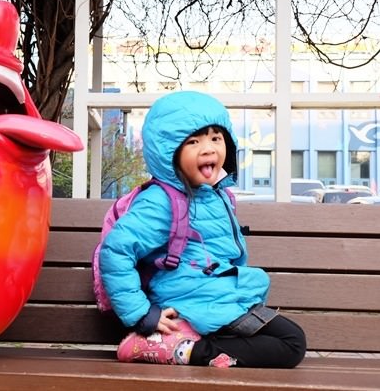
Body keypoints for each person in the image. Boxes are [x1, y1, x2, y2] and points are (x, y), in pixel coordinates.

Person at [98, 91, 306, 368]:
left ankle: (185, 348)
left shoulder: (216, 195)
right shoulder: (161, 201)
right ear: (168, 152)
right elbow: (115, 251)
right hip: (188, 304)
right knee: (292, 343)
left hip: (214, 298)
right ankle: (180, 348)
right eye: (194, 141)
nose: (208, 148)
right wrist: (141, 313)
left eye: (215, 138)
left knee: (290, 340)